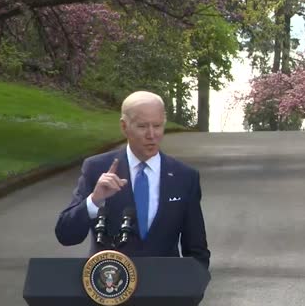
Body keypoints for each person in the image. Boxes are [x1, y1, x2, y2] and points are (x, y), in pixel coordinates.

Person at [55, 91, 210, 269]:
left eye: (157, 126)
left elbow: (197, 250)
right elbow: (66, 235)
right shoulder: (97, 169)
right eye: (143, 126)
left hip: (166, 290)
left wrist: (190, 291)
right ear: (124, 126)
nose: (152, 135)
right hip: (109, 288)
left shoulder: (185, 177)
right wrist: (94, 200)